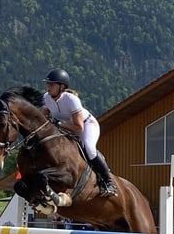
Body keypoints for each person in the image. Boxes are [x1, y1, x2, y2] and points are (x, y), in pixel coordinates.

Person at [42, 68, 118, 197]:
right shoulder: (46, 98)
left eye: (52, 84)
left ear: (61, 87)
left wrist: (58, 124)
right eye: (48, 84)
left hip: (87, 125)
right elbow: (43, 116)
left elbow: (79, 127)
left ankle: (109, 182)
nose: (48, 87)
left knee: (89, 148)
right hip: (66, 127)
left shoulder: (71, 99)